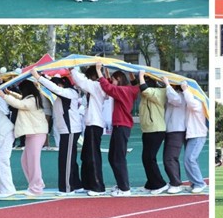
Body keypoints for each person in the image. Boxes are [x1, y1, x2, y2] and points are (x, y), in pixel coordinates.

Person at [30, 69, 83, 195]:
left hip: (70, 130)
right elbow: (53, 88)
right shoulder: (64, 94)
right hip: (67, 130)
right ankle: (76, 184)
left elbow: (55, 88)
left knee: (66, 160)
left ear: (61, 84)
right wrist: (41, 79)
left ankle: (67, 188)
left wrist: (38, 77)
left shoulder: (69, 93)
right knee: (69, 158)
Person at [96, 64, 143, 196]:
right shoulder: (130, 90)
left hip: (122, 126)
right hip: (120, 126)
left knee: (118, 158)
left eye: (113, 79)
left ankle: (124, 188)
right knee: (113, 157)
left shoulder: (123, 91)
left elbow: (108, 88)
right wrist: (131, 74)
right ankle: (121, 184)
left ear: (119, 80)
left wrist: (99, 71)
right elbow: (132, 85)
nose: (112, 82)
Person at [0, 80, 48, 196]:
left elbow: (20, 104)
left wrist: (4, 96)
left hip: (36, 134)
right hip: (32, 134)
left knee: (33, 162)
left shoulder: (32, 100)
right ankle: (35, 184)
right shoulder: (32, 97)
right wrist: (10, 93)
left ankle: (36, 188)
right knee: (25, 161)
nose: (20, 92)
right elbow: (21, 99)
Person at [70, 66, 108, 196]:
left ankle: (98, 186)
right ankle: (88, 183)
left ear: (93, 76)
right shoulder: (96, 86)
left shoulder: (96, 85)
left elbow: (81, 81)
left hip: (94, 123)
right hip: (91, 124)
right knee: (86, 156)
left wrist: (73, 69)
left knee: (93, 156)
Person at [138, 74, 169, 194]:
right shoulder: (147, 93)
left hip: (156, 130)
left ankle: (160, 184)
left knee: (150, 158)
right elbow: (139, 86)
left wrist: (141, 74)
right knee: (146, 158)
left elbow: (144, 89)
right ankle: (151, 183)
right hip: (148, 130)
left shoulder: (159, 92)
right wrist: (133, 75)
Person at [182, 81, 207, 193]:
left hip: (198, 135)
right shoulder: (194, 103)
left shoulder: (198, 103)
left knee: (190, 159)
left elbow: (191, 102)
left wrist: (185, 89)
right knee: (191, 160)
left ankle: (199, 183)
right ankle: (194, 183)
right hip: (192, 135)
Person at [163, 77, 186, 194]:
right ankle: (174, 181)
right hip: (171, 130)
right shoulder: (174, 95)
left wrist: (167, 84)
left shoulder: (180, 96)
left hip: (177, 130)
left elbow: (175, 99)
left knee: (170, 158)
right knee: (169, 158)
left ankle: (176, 183)